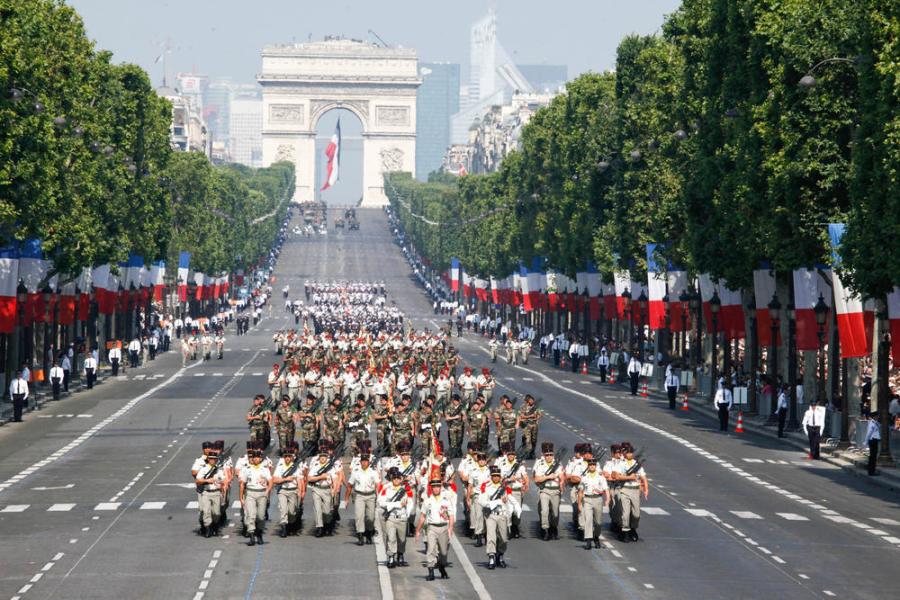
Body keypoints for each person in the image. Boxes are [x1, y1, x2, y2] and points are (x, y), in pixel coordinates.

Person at [478, 465, 521, 570]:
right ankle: (491, 558)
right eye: (494, 476)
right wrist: (493, 503)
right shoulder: (486, 486)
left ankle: (500, 554)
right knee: (491, 537)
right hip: (491, 515)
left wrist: (516, 509)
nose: (496, 478)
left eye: (498, 476)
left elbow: (510, 499)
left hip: (502, 515)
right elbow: (481, 501)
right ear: (491, 476)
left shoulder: (505, 488)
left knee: (504, 538)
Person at [416, 478, 455, 581]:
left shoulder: (446, 501)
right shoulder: (427, 501)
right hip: (432, 527)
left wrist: (450, 528)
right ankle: (431, 571)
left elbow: (451, 515)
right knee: (431, 549)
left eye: (438, 487)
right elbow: (422, 516)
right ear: (431, 488)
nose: (436, 489)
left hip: (443, 527)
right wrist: (417, 531)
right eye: (434, 487)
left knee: (443, 552)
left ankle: (442, 567)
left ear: (440, 488)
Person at [611, 443, 648, 542]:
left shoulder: (636, 464)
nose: (629, 454)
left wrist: (646, 489)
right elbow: (615, 476)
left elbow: (643, 476)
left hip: (635, 490)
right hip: (625, 489)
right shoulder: (620, 464)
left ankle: (633, 528)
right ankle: (625, 532)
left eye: (631, 452)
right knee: (625, 513)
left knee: (636, 514)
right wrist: (628, 477)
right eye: (627, 452)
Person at [378, 467, 412, 568]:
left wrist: (407, 514)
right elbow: (380, 502)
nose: (396, 480)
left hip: (402, 517)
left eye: (398, 478)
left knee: (402, 539)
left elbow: (410, 502)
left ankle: (400, 554)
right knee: (391, 538)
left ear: (401, 479)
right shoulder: (386, 488)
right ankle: (391, 557)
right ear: (392, 479)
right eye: (394, 478)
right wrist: (396, 505)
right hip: (391, 517)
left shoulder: (406, 489)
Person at [239, 449, 272, 546]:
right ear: (252, 459)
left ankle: (259, 533)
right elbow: (242, 484)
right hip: (250, 494)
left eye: (258, 457)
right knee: (251, 515)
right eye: (254, 457)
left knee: (261, 516)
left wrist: (267, 491)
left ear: (261, 459)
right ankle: (252, 536)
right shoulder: (247, 469)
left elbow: (270, 482)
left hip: (262, 494)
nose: (256, 459)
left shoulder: (265, 469)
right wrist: (241, 497)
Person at [347, 453, 381, 545]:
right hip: (359, 496)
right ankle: (360, 536)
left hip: (371, 495)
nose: (364, 463)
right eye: (363, 461)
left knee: (370, 517)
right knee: (359, 516)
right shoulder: (356, 472)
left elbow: (378, 484)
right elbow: (350, 485)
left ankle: (369, 533)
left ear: (368, 462)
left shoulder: (373, 472)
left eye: (366, 461)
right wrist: (346, 499)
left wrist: (379, 496)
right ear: (360, 462)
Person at [533, 442, 564, 540]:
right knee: (544, 510)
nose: (549, 457)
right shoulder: (540, 464)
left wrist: (561, 484)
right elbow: (536, 479)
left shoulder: (557, 464)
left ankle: (553, 527)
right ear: (544, 455)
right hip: (545, 490)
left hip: (555, 490)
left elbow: (562, 476)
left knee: (555, 513)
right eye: (547, 455)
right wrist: (548, 477)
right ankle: (545, 529)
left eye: (551, 455)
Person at [272, 443, 304, 537]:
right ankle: (284, 528)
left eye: (289, 457)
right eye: (285, 456)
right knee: (283, 510)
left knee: (292, 512)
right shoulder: (280, 465)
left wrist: (301, 492)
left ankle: (290, 524)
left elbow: (300, 480)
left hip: (293, 491)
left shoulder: (295, 466)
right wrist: (285, 479)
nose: (287, 458)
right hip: (282, 490)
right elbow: (274, 479)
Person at [578, 458, 610, 549]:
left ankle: (596, 536)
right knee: (588, 520)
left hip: (598, 500)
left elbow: (606, 489)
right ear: (588, 466)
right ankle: (588, 540)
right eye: (590, 465)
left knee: (598, 522)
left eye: (593, 465)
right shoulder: (584, 478)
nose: (592, 466)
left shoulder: (601, 477)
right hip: (587, 499)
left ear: (595, 466)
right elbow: (580, 491)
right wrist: (580, 504)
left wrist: (608, 499)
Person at [195, 447, 227, 538]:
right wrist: (207, 480)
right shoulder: (204, 469)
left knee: (216, 513)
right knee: (206, 511)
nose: (213, 460)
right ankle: (208, 529)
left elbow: (223, 480)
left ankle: (215, 525)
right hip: (206, 492)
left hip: (216, 492)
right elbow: (198, 481)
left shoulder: (219, 469)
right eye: (211, 459)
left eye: (214, 459)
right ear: (208, 459)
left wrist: (222, 484)